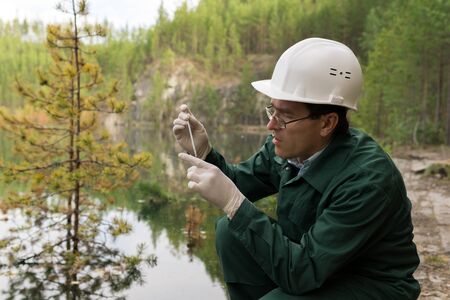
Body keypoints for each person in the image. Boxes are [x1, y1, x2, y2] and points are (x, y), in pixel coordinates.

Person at [172, 37, 420, 300]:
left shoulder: (367, 181)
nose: (271, 125)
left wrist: (234, 203)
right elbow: (236, 183)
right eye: (272, 111)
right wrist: (204, 152)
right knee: (230, 232)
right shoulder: (288, 149)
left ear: (327, 123)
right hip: (317, 264)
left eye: (286, 116)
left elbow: (302, 271)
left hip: (371, 284)